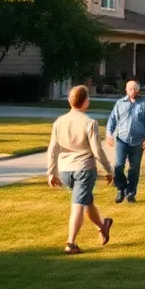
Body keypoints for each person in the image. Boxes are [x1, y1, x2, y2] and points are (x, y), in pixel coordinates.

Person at [46, 84, 114, 255]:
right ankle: (71, 243)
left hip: (65, 170)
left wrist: (51, 172)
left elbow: (53, 148)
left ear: (70, 101)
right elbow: (97, 150)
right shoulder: (89, 123)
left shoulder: (59, 122)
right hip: (84, 169)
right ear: (85, 102)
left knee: (86, 201)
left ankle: (103, 225)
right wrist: (108, 169)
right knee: (78, 205)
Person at [105, 79, 145, 204]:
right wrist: (108, 134)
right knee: (118, 165)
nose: (133, 91)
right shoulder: (120, 103)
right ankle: (121, 188)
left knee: (134, 168)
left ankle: (131, 193)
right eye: (130, 89)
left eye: (135, 89)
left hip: (138, 140)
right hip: (122, 139)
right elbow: (112, 119)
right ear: (126, 90)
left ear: (138, 90)